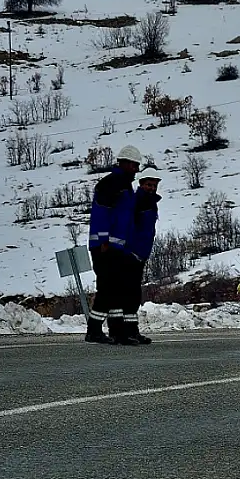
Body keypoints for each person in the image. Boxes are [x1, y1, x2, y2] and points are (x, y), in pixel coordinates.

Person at [86, 145, 142, 344]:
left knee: (117, 289)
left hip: (118, 248)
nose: (136, 170)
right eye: (134, 165)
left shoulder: (125, 186)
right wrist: (103, 241)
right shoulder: (111, 183)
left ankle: (117, 331)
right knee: (107, 289)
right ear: (125, 163)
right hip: (105, 247)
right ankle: (93, 330)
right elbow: (102, 213)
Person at [122, 166, 162, 346]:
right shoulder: (136, 201)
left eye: (154, 185)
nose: (152, 188)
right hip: (130, 253)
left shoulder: (150, 203)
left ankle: (132, 330)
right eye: (148, 185)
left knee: (134, 294)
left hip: (141, 254)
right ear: (141, 184)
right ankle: (124, 332)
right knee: (128, 294)